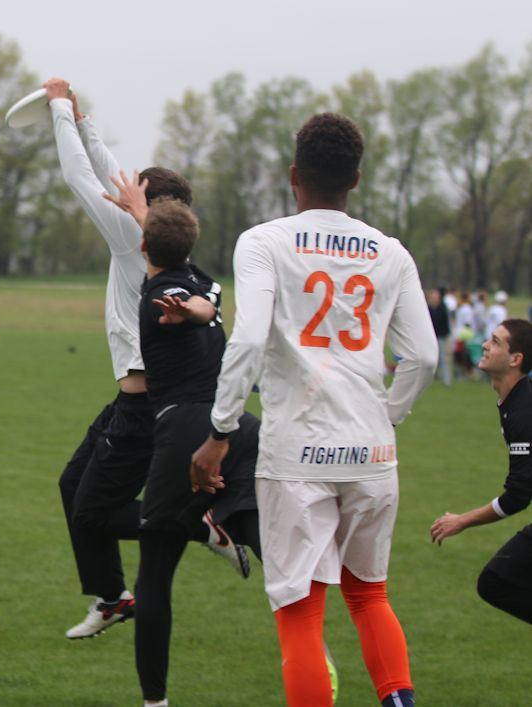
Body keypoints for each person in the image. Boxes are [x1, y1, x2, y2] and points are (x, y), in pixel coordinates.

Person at [191, 113, 438, 707]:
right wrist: (389, 415)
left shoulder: (264, 242)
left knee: (301, 613)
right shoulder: (392, 252)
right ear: (355, 179)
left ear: (293, 175)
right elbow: (424, 357)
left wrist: (220, 431)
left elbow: (248, 341)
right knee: (370, 597)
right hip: (371, 451)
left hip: (297, 452)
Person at [44, 78, 247, 642]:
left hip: (144, 408)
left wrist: (58, 108)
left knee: (92, 513)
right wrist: (84, 121)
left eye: (134, 194)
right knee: (72, 485)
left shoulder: (130, 237)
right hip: (134, 400)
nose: (121, 194)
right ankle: (112, 599)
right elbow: (114, 175)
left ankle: (198, 524)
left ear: (144, 209)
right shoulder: (165, 243)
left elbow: (80, 178)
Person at [128, 197, 261, 707]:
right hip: (238, 427)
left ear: (143, 246)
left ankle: (155, 702)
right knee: (267, 544)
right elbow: (203, 300)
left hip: (188, 432)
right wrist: (142, 213)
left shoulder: (163, 293)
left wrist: (185, 311)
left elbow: (189, 303)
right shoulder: (203, 278)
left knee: (155, 569)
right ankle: (311, 642)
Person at [430, 318, 532, 624]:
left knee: (495, 582)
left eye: (496, 342)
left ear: (515, 359)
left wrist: (462, 520)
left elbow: (518, 496)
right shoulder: (515, 401)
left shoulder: (523, 411)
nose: (485, 345)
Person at [428, 286, 452, 386]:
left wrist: (446, 335)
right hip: (431, 337)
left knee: (442, 358)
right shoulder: (429, 309)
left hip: (440, 337)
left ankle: (447, 380)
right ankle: (430, 378)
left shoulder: (443, 308)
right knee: (431, 359)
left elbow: (446, 323)